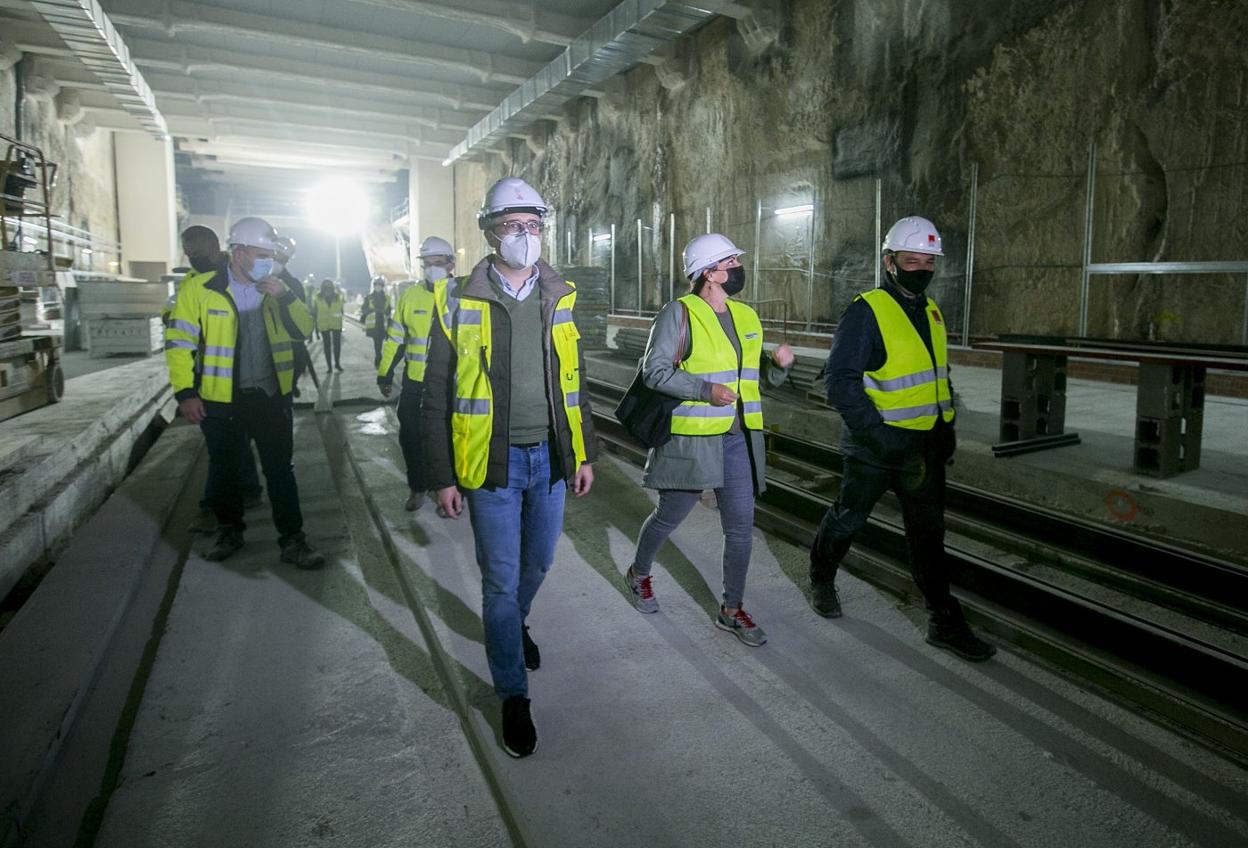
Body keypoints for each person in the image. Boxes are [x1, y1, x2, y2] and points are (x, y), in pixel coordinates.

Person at [423, 177, 597, 759]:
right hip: (488, 465)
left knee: (540, 561)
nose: (525, 235)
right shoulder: (458, 301)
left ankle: (514, 624)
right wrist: (442, 475)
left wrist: (583, 452)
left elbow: (575, 383)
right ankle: (513, 696)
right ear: (489, 231)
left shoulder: (560, 295)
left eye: (534, 224)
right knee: (498, 581)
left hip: (548, 458)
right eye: (512, 225)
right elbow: (436, 394)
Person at [808, 216, 994, 662]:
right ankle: (821, 577)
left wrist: (945, 427)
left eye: (929, 261)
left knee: (928, 537)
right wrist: (880, 439)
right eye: (912, 260)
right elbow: (841, 383)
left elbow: (936, 374)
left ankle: (944, 623)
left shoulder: (930, 310)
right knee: (849, 518)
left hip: (924, 448)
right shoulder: (866, 310)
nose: (922, 268)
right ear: (890, 262)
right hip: (876, 449)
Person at [621, 233, 793, 647]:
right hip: (693, 439)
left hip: (738, 437)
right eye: (731, 261)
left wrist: (779, 368)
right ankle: (638, 573)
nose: (738, 267)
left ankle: (731, 610)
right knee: (668, 516)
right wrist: (704, 391)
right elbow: (654, 372)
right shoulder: (679, 314)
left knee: (740, 528)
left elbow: (752, 379)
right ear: (709, 273)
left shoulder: (746, 317)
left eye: (736, 260)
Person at [165, 216, 325, 569]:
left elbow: (305, 329)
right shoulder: (201, 289)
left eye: (271, 252)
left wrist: (285, 298)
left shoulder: (279, 286)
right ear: (237, 253)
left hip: (270, 396)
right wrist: (185, 393)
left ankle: (293, 540)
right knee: (224, 472)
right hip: (221, 400)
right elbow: (179, 343)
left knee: (281, 471)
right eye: (261, 252)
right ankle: (229, 531)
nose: (269, 259)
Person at [172, 225, 262, 535]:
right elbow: (178, 335)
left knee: (230, 450)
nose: (194, 257)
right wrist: (186, 392)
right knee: (224, 451)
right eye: (189, 253)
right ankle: (229, 509)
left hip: (249, 387)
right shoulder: (193, 285)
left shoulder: (239, 277)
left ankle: (219, 506)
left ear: (215, 249)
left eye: (198, 252)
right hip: (212, 385)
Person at [378, 236, 454, 511]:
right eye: (427, 263)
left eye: (439, 263)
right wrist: (384, 373)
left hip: (450, 385)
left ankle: (448, 491)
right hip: (416, 382)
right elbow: (395, 339)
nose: (432, 268)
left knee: (448, 440)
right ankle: (418, 487)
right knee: (410, 436)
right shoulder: (410, 296)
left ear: (451, 264)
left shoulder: (462, 296)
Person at [272, 236, 314, 397]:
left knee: (299, 364)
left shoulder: (293, 284)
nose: (277, 261)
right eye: (274, 255)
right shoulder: (248, 280)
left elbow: (302, 320)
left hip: (289, 344)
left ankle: (291, 386)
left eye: (282, 258)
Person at [311, 278, 345, 371]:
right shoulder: (317, 297)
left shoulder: (338, 296)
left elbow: (341, 310)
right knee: (327, 346)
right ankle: (329, 366)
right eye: (326, 286)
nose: (327, 288)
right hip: (324, 324)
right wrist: (316, 329)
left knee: (337, 345)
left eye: (329, 286)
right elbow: (315, 312)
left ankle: (337, 364)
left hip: (336, 324)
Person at [361, 276, 391, 366]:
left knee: (380, 341)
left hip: (383, 322)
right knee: (377, 341)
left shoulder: (387, 298)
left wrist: (386, 312)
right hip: (374, 324)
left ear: (382, 286)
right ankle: (378, 357)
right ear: (374, 286)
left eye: (380, 285)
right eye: (376, 285)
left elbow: (389, 310)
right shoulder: (369, 297)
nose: (378, 287)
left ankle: (378, 356)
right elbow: (364, 309)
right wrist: (371, 310)